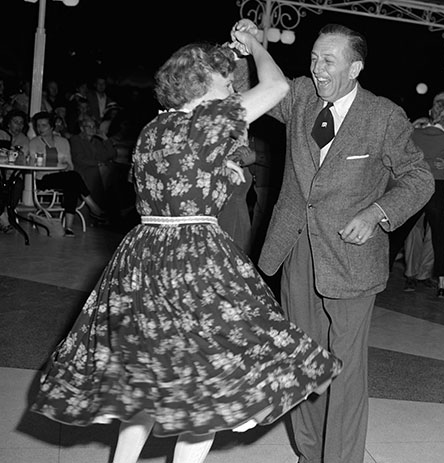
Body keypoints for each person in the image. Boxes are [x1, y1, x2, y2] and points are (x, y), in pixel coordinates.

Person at [30, 26, 341, 463]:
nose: (233, 87)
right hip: (190, 259)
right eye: (226, 80)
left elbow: (175, 181)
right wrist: (254, 46)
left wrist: (220, 175)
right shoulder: (207, 121)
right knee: (207, 386)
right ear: (202, 84)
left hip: (142, 255)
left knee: (145, 378)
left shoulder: (154, 129)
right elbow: (278, 86)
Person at [237, 20, 434, 463]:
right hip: (296, 249)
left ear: (356, 67)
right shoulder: (303, 96)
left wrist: (377, 213)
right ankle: (310, 453)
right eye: (313, 58)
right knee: (303, 363)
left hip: (351, 257)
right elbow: (261, 85)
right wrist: (249, 44)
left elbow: (420, 179)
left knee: (343, 368)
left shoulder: (384, 116)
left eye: (328, 60)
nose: (317, 68)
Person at [388, 95, 444, 297]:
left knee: (401, 231)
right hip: (437, 186)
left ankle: (386, 271)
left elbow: (396, 142)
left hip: (416, 185)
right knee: (437, 236)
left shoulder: (416, 132)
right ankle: (440, 283)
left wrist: (412, 125)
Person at [28, 111, 106, 235]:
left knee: (72, 182)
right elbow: (34, 164)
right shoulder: (34, 143)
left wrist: (67, 167)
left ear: (52, 127)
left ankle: (68, 228)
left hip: (62, 177)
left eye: (44, 125)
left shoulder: (63, 141)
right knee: (73, 178)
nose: (40, 129)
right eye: (38, 126)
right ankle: (93, 207)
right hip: (42, 178)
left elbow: (70, 164)